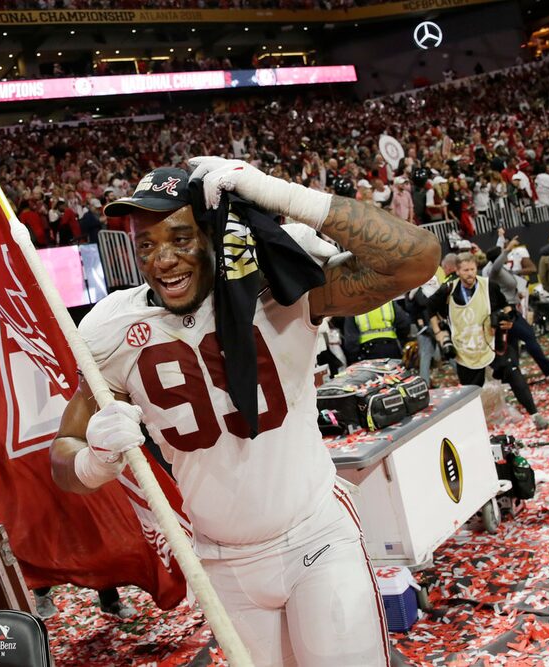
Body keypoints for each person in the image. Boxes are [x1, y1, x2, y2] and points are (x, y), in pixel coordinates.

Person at [50, 161, 440, 666]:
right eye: (146, 245)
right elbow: (63, 456)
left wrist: (280, 195)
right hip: (221, 562)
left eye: (181, 238)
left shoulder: (275, 287)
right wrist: (93, 460)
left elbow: (417, 259)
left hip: (315, 539)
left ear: (213, 235)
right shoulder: (113, 326)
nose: (163, 260)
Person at [428, 253, 549, 430]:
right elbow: (430, 309)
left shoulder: (488, 286)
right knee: (470, 393)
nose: (470, 274)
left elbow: (506, 307)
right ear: (457, 271)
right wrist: (439, 332)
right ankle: (475, 429)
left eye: (472, 269)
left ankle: (535, 415)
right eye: (465, 270)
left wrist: (508, 320)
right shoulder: (448, 290)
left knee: (514, 373)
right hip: (465, 349)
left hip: (491, 343)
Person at [485, 237, 549, 381]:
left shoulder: (499, 269)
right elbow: (496, 263)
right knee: (529, 336)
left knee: (511, 345)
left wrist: (500, 238)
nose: (508, 257)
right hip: (507, 312)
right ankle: (548, 370)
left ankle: (509, 377)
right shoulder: (494, 270)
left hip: (510, 308)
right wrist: (508, 248)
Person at [342, 300, 409, 362]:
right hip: (391, 347)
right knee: (394, 373)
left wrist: (354, 357)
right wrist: (402, 341)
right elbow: (404, 323)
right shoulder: (388, 301)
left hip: (368, 351)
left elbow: (350, 338)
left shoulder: (353, 306)